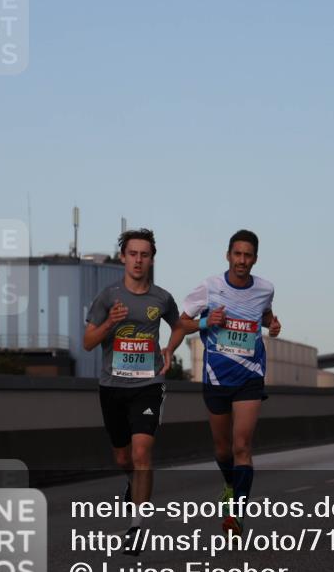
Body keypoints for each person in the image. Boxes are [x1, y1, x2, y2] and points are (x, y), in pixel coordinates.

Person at [163, 230, 280, 537]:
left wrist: (274, 323)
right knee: (222, 449)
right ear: (228, 255)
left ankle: (237, 514)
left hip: (250, 376)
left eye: (248, 255)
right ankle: (229, 484)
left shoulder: (265, 288)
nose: (242, 260)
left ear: (255, 258)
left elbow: (264, 314)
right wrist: (203, 324)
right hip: (216, 377)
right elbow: (182, 322)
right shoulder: (210, 287)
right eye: (237, 254)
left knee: (242, 445)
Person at [83, 229, 180, 555]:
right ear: (123, 257)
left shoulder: (162, 299)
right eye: (133, 254)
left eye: (145, 254)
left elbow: (178, 325)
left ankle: (136, 526)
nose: (139, 260)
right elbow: (87, 343)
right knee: (124, 457)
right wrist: (109, 323)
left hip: (148, 386)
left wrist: (170, 349)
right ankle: (131, 484)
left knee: (141, 454)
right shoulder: (108, 298)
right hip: (112, 387)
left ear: (152, 259)